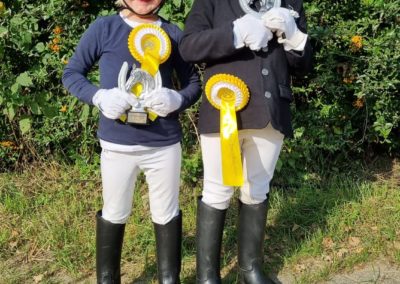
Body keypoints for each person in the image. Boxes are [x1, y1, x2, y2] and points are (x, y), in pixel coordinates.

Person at [62, 0, 201, 283]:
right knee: (115, 210)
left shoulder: (173, 33)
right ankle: (107, 278)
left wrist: (178, 99)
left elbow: (194, 83)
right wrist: (99, 96)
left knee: (167, 211)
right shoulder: (105, 27)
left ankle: (169, 278)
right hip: (117, 144)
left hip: (164, 143)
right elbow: (72, 74)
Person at [179, 0, 312, 283]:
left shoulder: (292, 3)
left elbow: (304, 66)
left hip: (271, 112)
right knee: (217, 190)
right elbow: (188, 47)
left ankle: (249, 270)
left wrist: (295, 37)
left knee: (257, 189)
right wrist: (234, 33)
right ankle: (206, 277)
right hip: (223, 111)